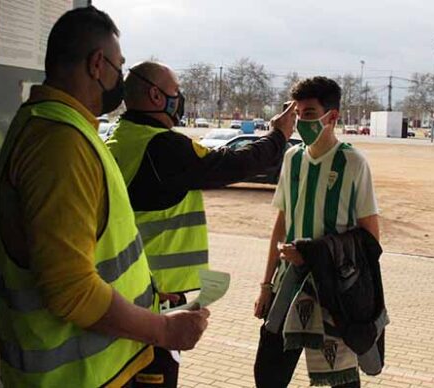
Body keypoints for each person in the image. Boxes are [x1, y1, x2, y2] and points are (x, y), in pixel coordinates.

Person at [0, 7, 209, 387]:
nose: (121, 80)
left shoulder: (64, 128)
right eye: (119, 67)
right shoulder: (60, 145)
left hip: (99, 368)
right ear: (97, 64)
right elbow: (70, 291)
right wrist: (162, 330)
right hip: (76, 377)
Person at [106, 61, 296, 387]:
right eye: (175, 92)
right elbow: (230, 164)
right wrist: (278, 136)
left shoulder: (119, 139)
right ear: (156, 95)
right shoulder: (162, 147)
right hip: (155, 297)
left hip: (122, 291)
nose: (179, 99)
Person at [253, 77, 380, 388]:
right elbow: (281, 224)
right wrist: (266, 285)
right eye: (297, 114)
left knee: (341, 381)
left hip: (335, 290)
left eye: (309, 114)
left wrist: (314, 252)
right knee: (268, 374)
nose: (300, 122)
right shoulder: (292, 158)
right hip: (288, 284)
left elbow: (371, 241)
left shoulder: (353, 162)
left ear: (332, 117)